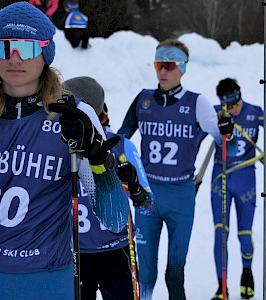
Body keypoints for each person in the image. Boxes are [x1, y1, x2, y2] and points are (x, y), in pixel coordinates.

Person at [0, 3, 129, 299]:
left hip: (48, 279)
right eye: (4, 47)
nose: (14, 58)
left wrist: (96, 157)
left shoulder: (73, 116)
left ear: (46, 53)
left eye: (26, 48)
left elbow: (115, 220)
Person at [117, 39, 237, 300]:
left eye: (169, 65)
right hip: (147, 196)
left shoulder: (197, 102)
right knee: (145, 272)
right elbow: (121, 138)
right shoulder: (143, 99)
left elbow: (221, 137)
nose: (162, 71)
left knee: (175, 272)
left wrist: (226, 129)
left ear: (182, 68)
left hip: (180, 196)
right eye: (159, 64)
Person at [63, 76, 154, 299]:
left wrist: (134, 186)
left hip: (117, 252)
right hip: (75, 255)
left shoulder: (122, 146)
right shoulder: (58, 147)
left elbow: (148, 207)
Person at [206, 78, 263, 300]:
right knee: (221, 233)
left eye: (237, 102)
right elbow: (194, 137)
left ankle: (247, 273)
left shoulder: (254, 112)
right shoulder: (214, 113)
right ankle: (222, 287)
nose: (235, 108)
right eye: (230, 106)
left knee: (245, 234)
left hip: (246, 177)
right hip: (220, 178)